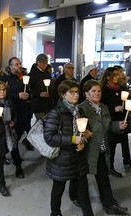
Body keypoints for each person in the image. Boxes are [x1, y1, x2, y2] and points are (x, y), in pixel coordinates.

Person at [78, 79, 129, 215]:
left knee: (103, 177)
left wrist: (118, 126)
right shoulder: (82, 108)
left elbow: (107, 126)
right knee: (79, 177)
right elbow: (79, 128)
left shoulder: (104, 107)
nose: (97, 93)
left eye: (99, 91)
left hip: (101, 149)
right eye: (93, 91)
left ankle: (109, 204)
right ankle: (75, 196)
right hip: (87, 150)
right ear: (86, 94)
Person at [44, 80, 93, 216]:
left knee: (83, 188)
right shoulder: (56, 113)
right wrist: (72, 139)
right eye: (71, 92)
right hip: (62, 158)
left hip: (78, 156)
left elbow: (83, 129)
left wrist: (84, 137)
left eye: (77, 92)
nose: (75, 95)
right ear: (62, 94)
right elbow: (49, 137)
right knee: (59, 187)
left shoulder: (79, 110)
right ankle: (55, 212)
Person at [100, 67, 131, 178]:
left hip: (122, 119)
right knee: (112, 145)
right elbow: (101, 106)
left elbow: (127, 100)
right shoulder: (104, 90)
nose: (117, 77)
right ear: (108, 77)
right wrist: (113, 108)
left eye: (117, 75)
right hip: (112, 121)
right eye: (114, 75)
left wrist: (129, 104)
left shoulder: (120, 88)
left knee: (124, 139)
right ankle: (110, 167)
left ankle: (127, 159)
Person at [0, 57, 33, 154]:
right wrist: (17, 95)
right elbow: (2, 96)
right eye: (16, 64)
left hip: (24, 111)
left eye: (20, 64)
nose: (19, 66)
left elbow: (29, 92)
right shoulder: (4, 79)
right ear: (10, 66)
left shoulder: (23, 78)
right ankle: (7, 155)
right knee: (12, 136)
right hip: (12, 112)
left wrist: (28, 95)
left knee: (19, 134)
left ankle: (8, 152)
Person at [29, 53, 53, 120]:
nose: (46, 65)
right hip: (38, 104)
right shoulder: (32, 75)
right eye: (44, 63)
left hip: (48, 103)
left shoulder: (47, 73)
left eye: (46, 63)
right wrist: (39, 93)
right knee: (41, 123)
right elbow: (30, 89)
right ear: (38, 62)